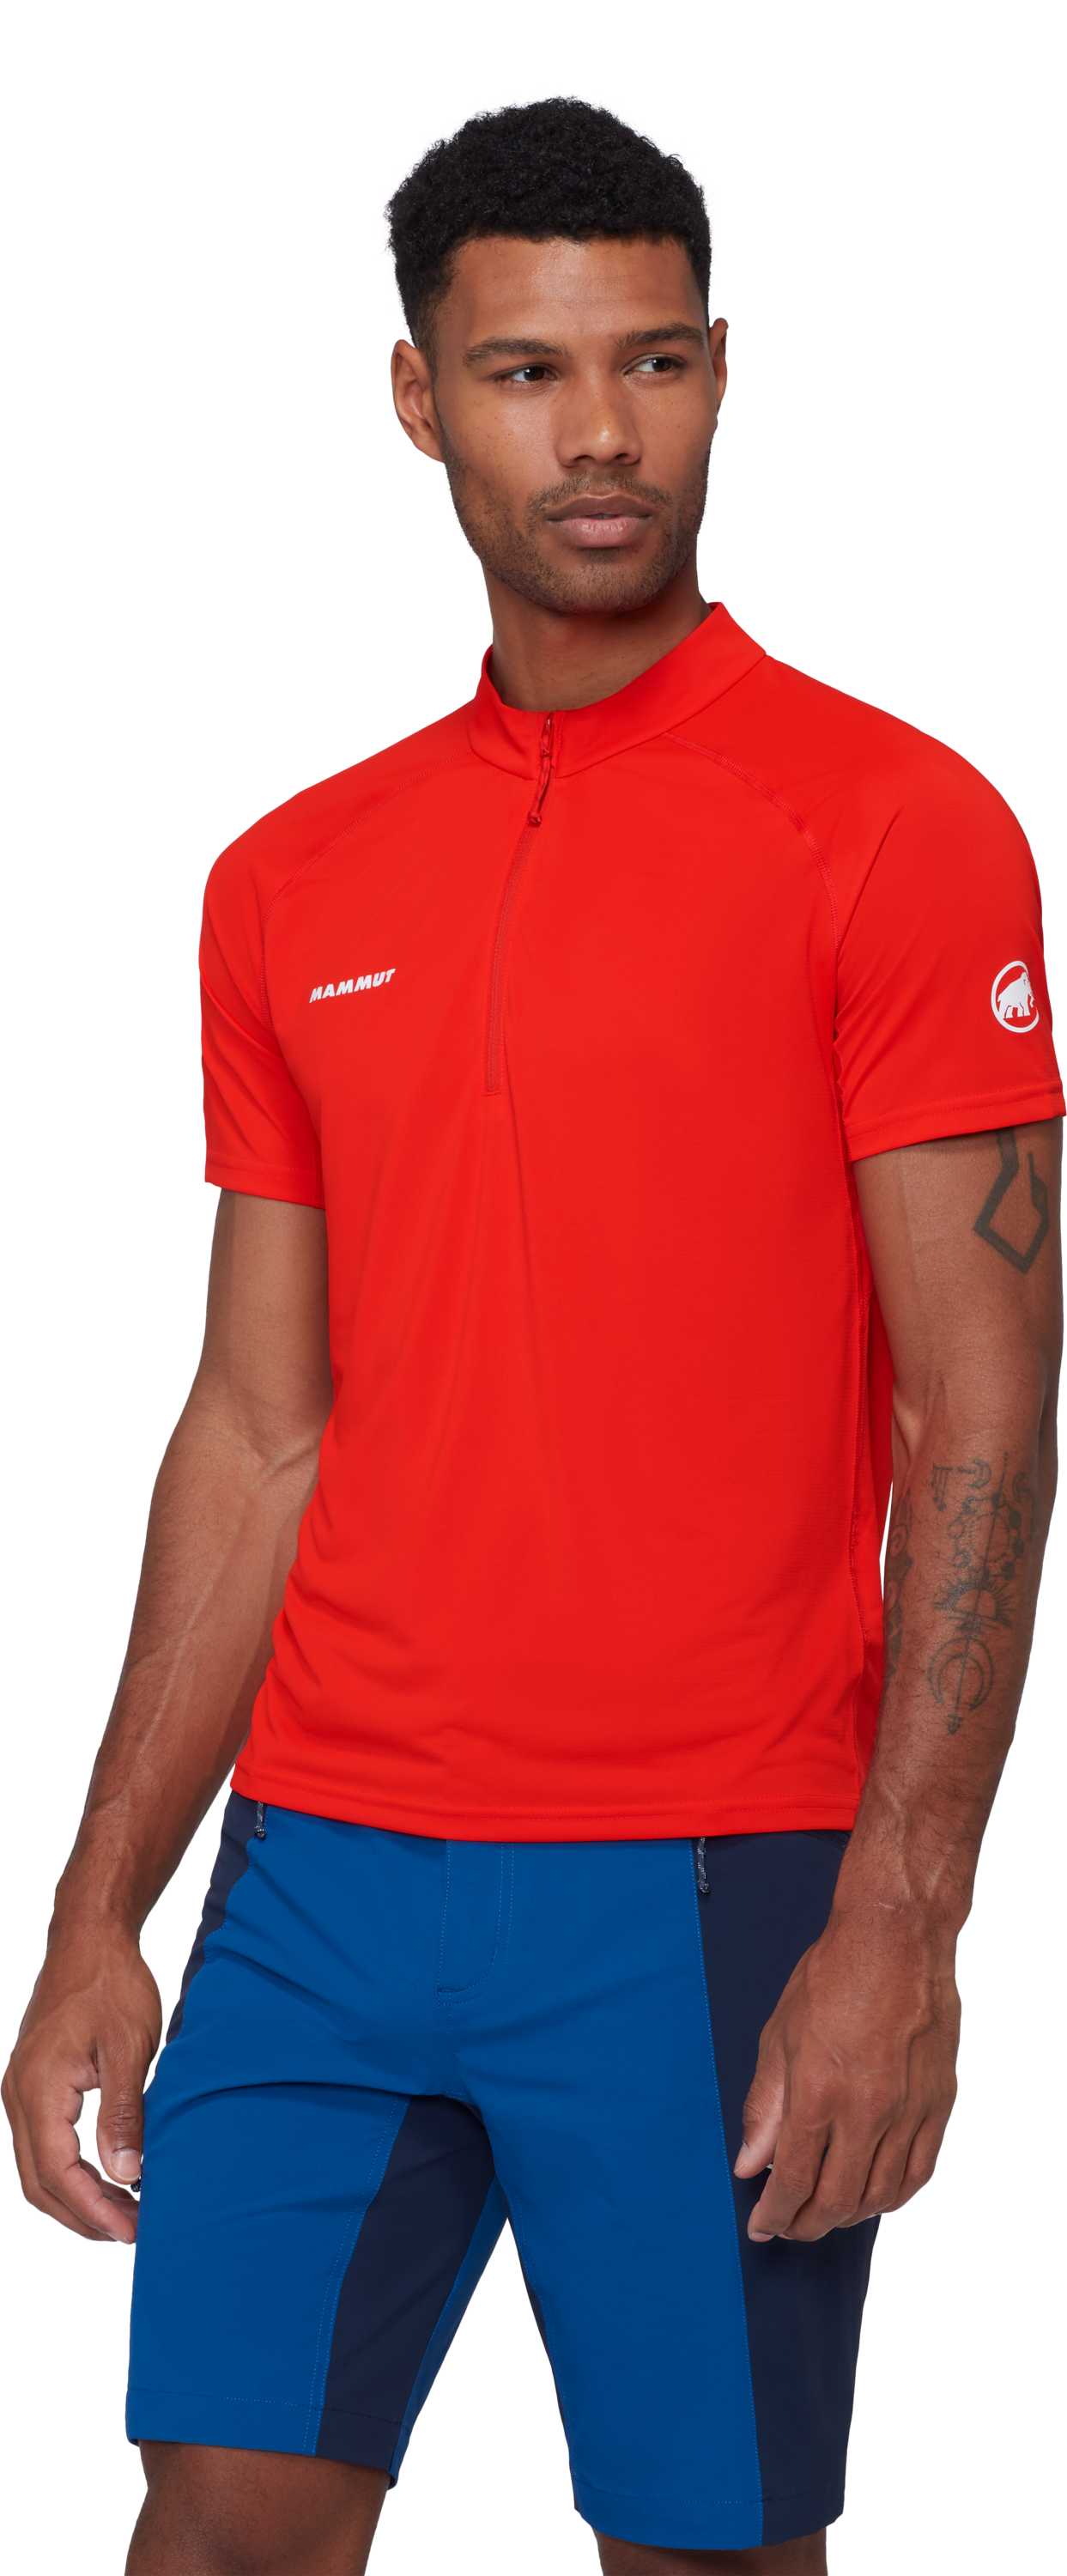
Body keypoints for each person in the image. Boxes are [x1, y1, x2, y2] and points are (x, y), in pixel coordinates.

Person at [3, 88, 1064, 2576]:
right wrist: (95, 1912)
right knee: (217, 2526)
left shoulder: (894, 826)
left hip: (703, 1881)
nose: (601, 433)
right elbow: (255, 1429)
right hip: (325, 1873)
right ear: (419, 395)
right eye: (527, 371)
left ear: (721, 373)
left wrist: (902, 1921)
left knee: (708, 2557)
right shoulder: (292, 877)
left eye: (654, 362)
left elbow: (983, 1415)